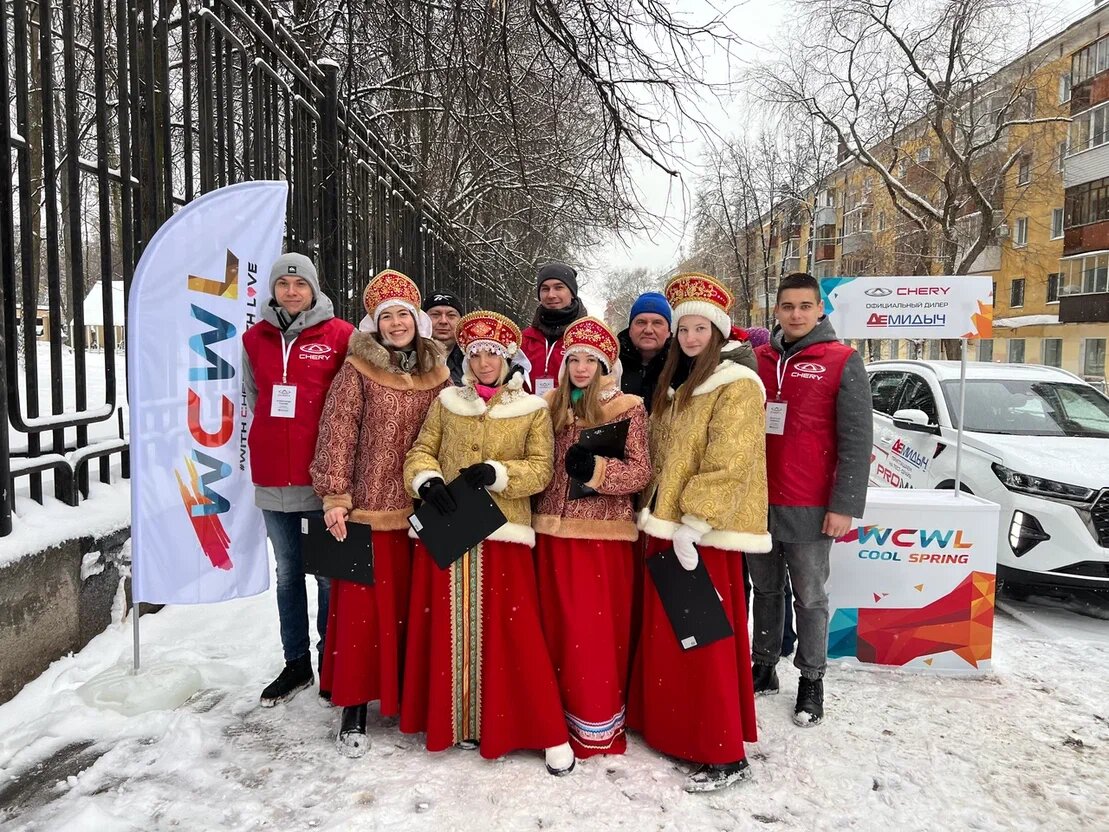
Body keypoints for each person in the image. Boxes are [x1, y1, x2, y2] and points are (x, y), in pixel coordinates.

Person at [401, 311, 575, 776]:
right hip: (450, 526)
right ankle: (457, 721)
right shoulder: (446, 403)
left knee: (513, 634)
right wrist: (427, 479)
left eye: (492, 355)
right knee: (449, 628)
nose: (483, 363)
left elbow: (541, 469)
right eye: (475, 354)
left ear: (507, 359)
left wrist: (498, 473)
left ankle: (535, 727)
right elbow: (421, 449)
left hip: (504, 531)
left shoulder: (532, 408)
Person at [628, 272, 769, 793]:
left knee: (703, 641)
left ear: (718, 331)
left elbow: (730, 460)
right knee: (673, 637)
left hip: (702, 534)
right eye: (683, 328)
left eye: (699, 329)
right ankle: (674, 727)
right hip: (668, 527)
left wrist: (695, 520)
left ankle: (721, 750)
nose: (689, 337)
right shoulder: (679, 383)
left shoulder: (736, 384)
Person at [310, 269, 450, 756]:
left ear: (417, 320)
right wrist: (335, 496)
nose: (395, 324)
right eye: (386, 316)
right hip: (370, 508)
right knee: (362, 615)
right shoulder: (357, 369)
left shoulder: (440, 374)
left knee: (417, 609)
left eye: (402, 315)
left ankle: (411, 697)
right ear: (375, 324)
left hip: (425, 511)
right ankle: (354, 707)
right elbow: (337, 432)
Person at [749, 272, 872, 727]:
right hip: (758, 501)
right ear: (777, 311)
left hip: (812, 504)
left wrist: (844, 505)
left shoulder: (842, 360)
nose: (796, 314)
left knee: (810, 597)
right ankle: (764, 665)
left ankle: (811, 679)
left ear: (820, 309)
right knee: (765, 590)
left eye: (805, 306)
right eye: (788, 306)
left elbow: (857, 440)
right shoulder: (758, 360)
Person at [533, 316, 651, 760]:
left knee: (592, 632)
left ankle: (594, 717)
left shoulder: (626, 407)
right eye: (574, 360)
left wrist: (597, 471)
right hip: (550, 532)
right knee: (555, 629)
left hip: (601, 537)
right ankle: (552, 718)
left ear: (605, 366)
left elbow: (641, 471)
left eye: (591, 361)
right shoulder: (548, 406)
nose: (581, 368)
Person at [243, 252, 354, 708]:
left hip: (321, 479)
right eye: (284, 284)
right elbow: (255, 395)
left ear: (314, 288)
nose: (292, 292)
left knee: (328, 578)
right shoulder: (254, 339)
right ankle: (296, 664)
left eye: (300, 284)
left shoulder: (341, 335)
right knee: (288, 574)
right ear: (273, 289)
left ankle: (332, 662)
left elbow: (350, 403)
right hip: (272, 476)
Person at [521, 261, 588, 394]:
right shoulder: (524, 339)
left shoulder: (587, 338)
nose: (551, 295)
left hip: (573, 407)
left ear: (572, 293)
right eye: (545, 289)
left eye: (558, 287)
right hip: (529, 407)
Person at [617, 292, 672, 414]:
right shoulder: (612, 364)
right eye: (641, 322)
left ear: (669, 331)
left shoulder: (680, 365)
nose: (648, 330)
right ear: (630, 329)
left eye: (657, 323)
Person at [423, 290, 465, 384]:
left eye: (451, 315)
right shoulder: (410, 359)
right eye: (435, 315)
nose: (443, 321)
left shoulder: (471, 361)